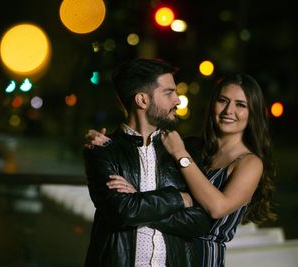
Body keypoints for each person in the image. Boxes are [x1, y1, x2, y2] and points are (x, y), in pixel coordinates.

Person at [86, 72, 277, 267]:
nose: (229, 110)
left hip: (205, 257)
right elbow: (143, 150)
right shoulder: (194, 148)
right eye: (223, 100)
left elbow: (217, 208)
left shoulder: (249, 163)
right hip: (173, 252)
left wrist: (141, 205)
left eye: (241, 105)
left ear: (252, 113)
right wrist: (106, 143)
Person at [83, 58, 212, 267]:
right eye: (169, 93)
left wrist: (138, 200)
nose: (177, 101)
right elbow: (122, 211)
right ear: (142, 100)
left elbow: (201, 221)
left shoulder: (183, 152)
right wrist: (180, 198)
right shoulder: (102, 150)